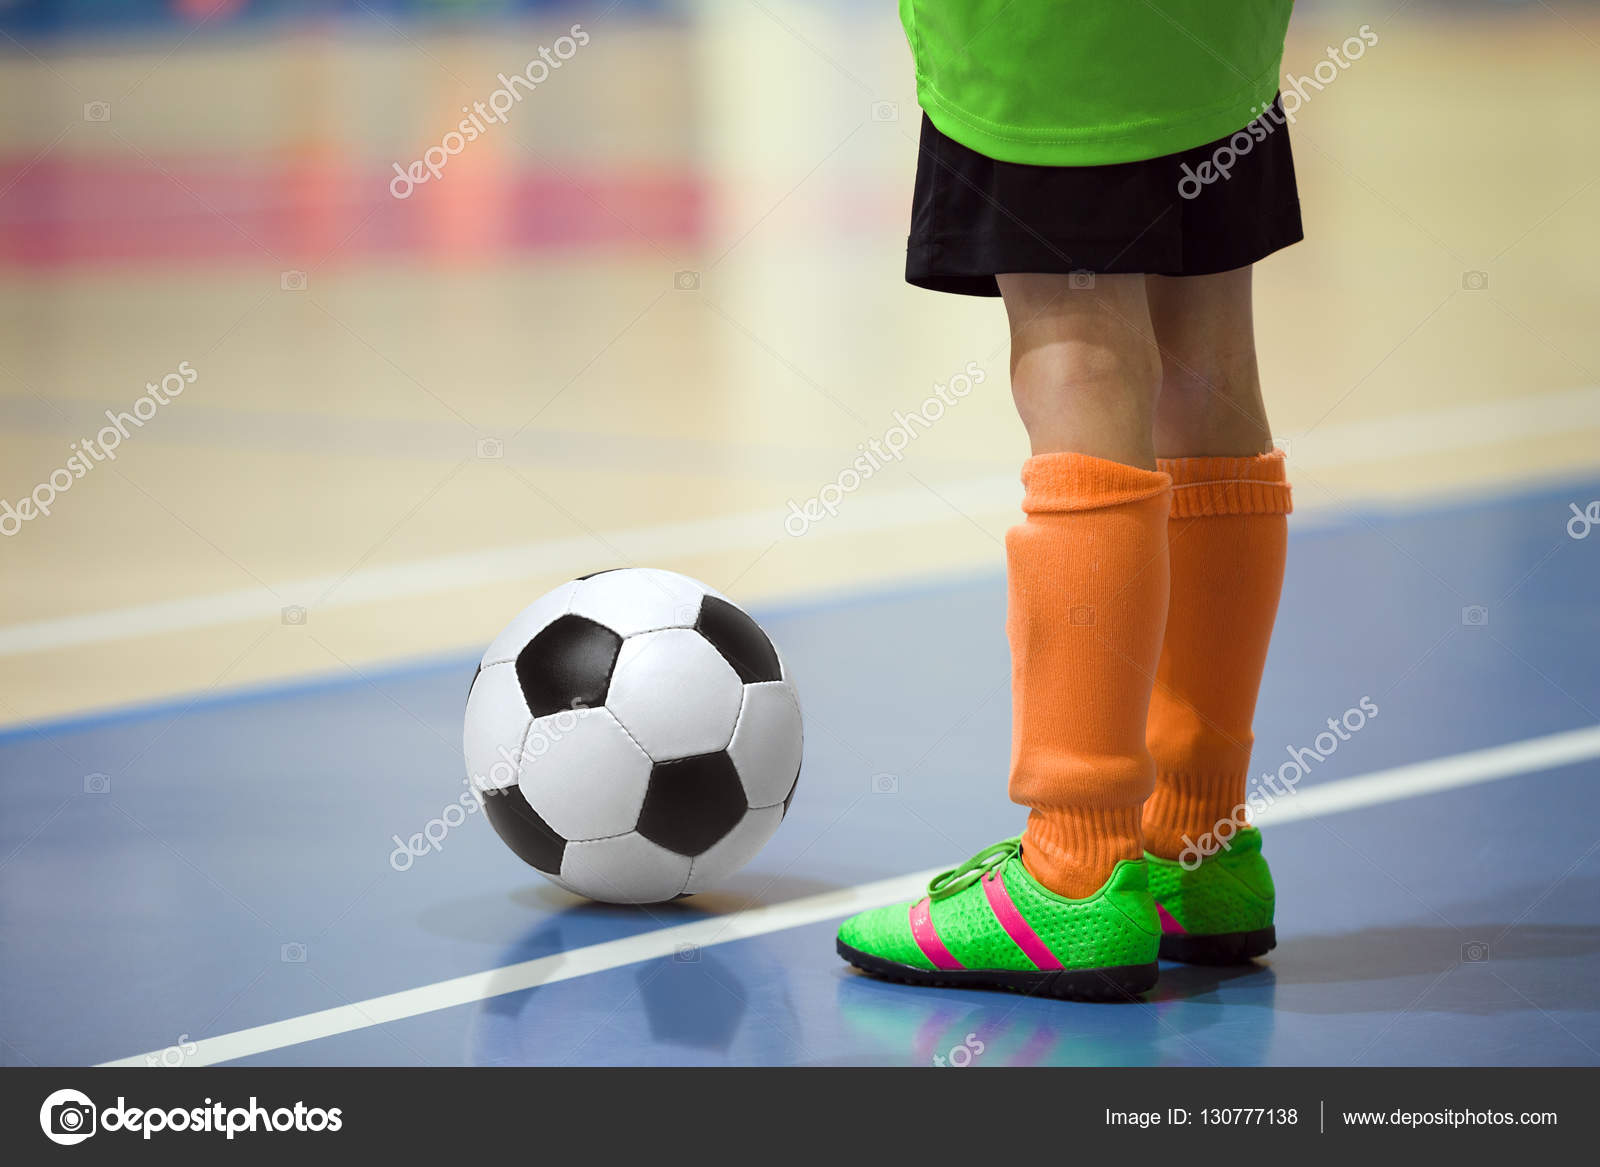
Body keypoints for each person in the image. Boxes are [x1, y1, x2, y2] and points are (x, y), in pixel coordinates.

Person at [836, 0, 1301, 997]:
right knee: (1208, 351)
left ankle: (1075, 865)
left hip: (1052, 29)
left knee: (1077, 351)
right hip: (1216, 33)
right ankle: (1198, 833)